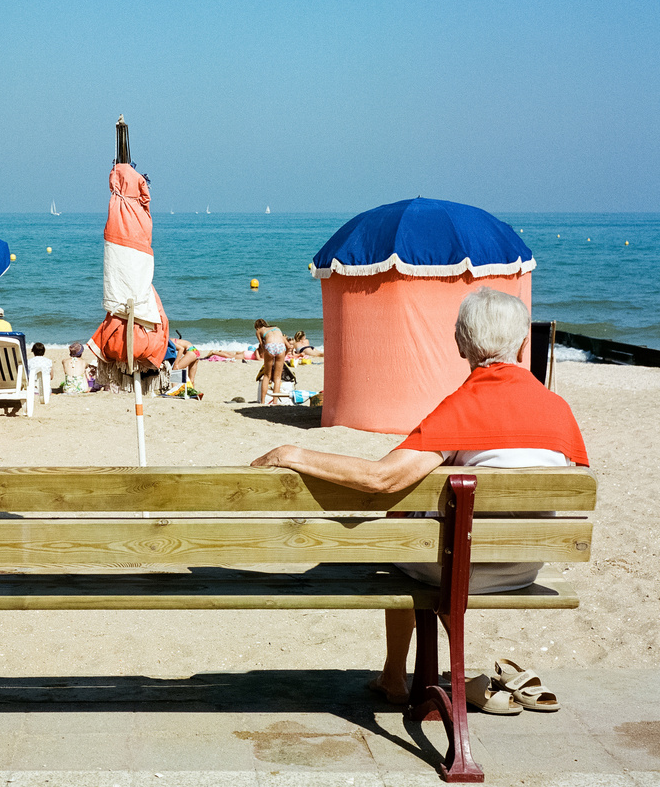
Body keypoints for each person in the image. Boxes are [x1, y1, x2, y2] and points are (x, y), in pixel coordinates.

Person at [251, 288, 589, 704]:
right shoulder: (557, 408)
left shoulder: (464, 407)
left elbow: (382, 480)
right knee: (435, 531)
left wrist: (293, 453)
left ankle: (394, 676)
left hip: (460, 568)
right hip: (525, 564)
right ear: (523, 345)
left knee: (404, 535)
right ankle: (433, 673)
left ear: (460, 344)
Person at [254, 319, 288, 403]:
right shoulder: (276, 328)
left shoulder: (259, 331)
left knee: (266, 376)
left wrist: (266, 353)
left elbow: (262, 345)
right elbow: (289, 346)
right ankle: (275, 402)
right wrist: (284, 355)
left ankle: (262, 402)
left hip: (270, 346)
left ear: (257, 327)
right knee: (277, 377)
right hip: (281, 346)